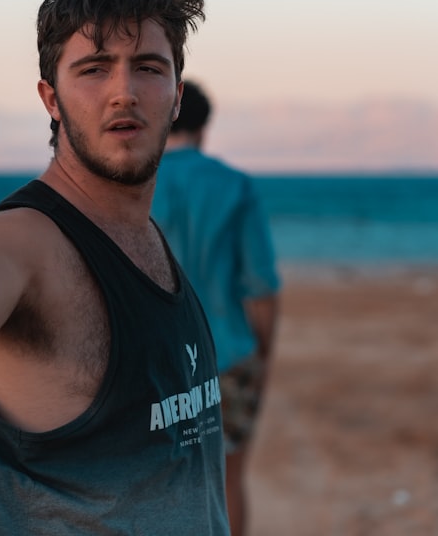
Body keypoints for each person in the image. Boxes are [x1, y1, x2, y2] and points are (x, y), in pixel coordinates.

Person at [0, 0, 229, 535]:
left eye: (147, 67)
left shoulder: (144, 234)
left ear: (175, 95)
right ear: (52, 99)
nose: (124, 91)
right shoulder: (20, 240)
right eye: (94, 69)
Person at [150, 81, 280, 536]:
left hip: (155, 362)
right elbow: (261, 285)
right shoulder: (236, 186)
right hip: (229, 353)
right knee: (227, 479)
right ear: (204, 126)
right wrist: (263, 351)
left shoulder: (136, 183)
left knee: (156, 484)